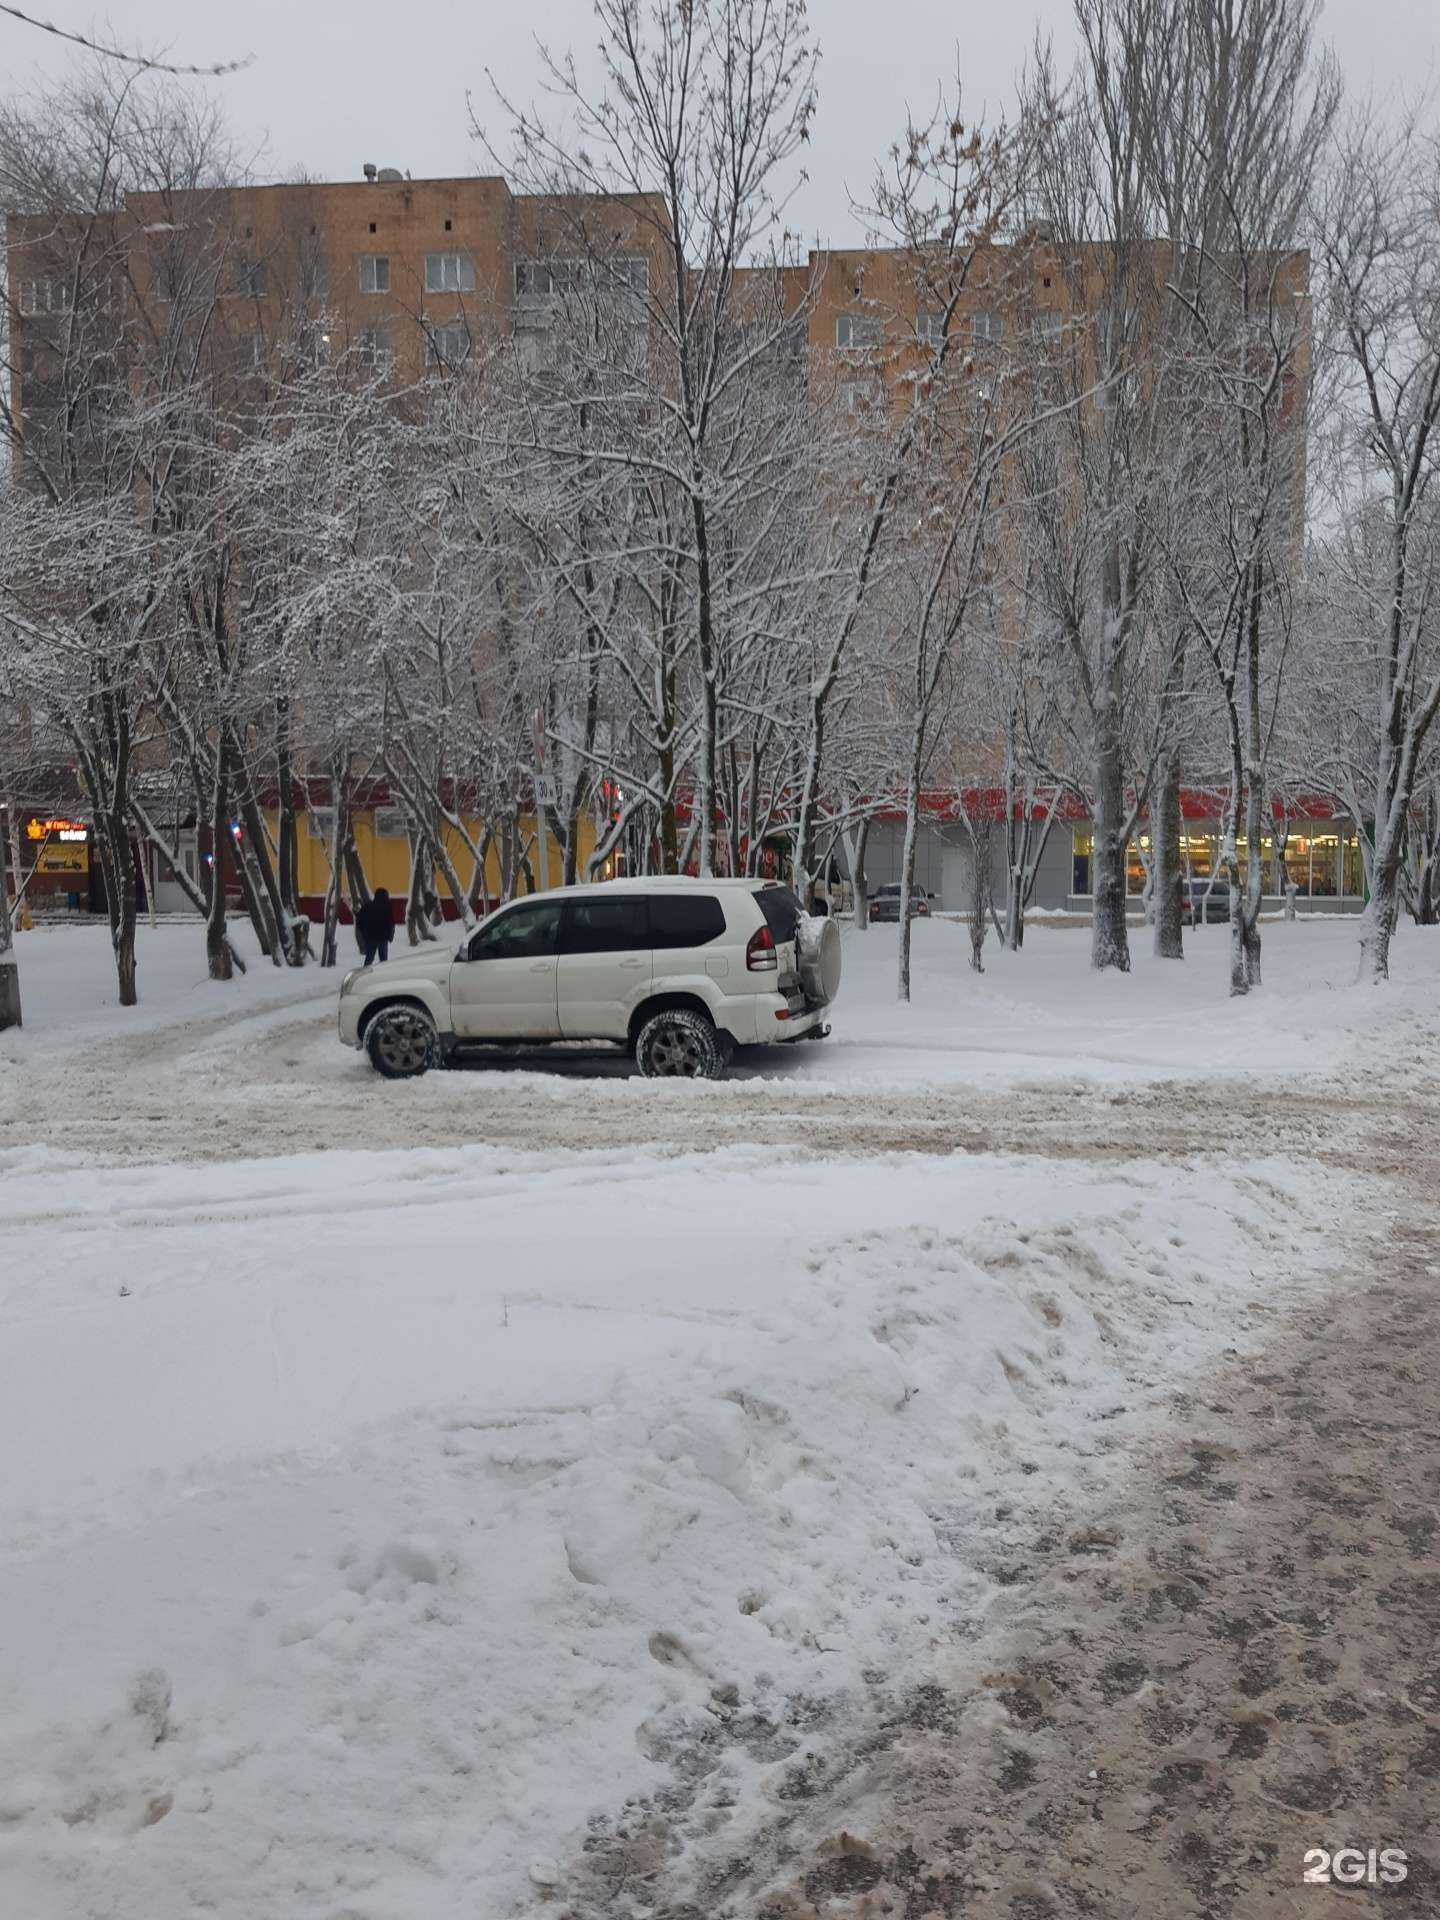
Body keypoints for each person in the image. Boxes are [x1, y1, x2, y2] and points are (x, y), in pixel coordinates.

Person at [355, 888, 393, 966]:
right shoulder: (387, 907)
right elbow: (391, 923)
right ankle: (384, 972)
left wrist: (364, 933)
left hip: (370, 937)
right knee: (384, 960)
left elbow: (359, 920)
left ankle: (365, 971)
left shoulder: (368, 906)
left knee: (369, 958)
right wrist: (390, 936)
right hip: (383, 938)